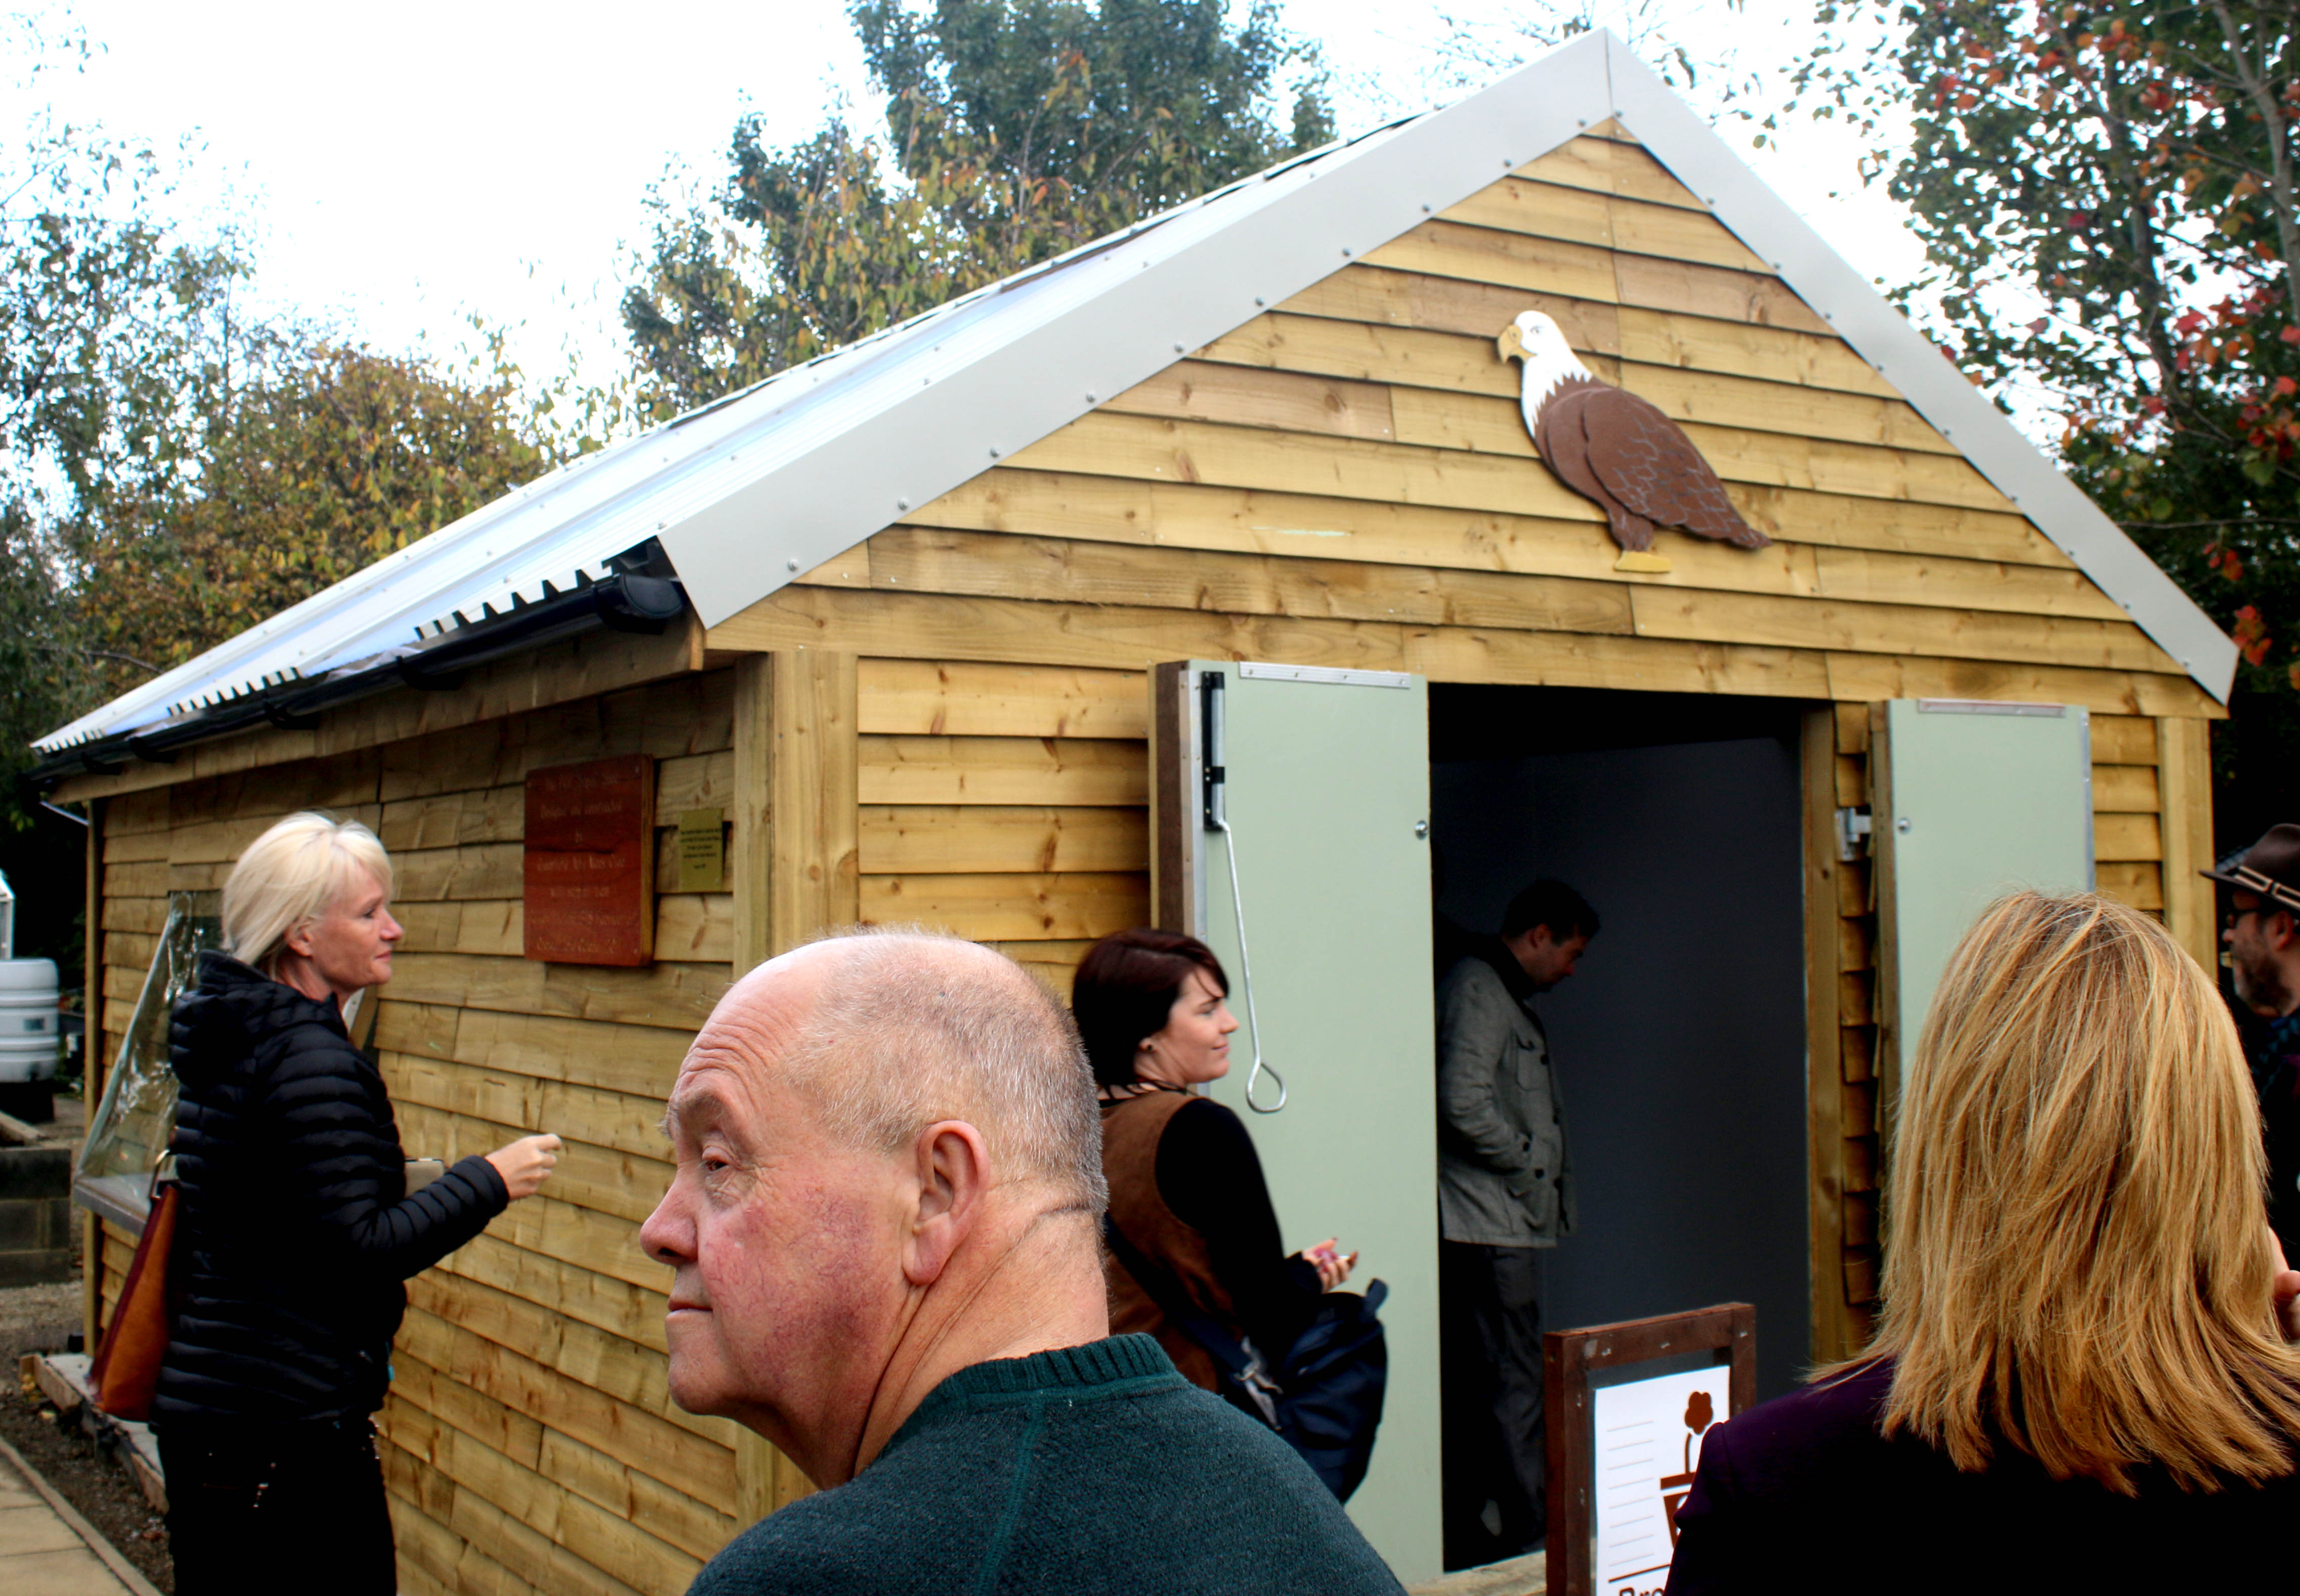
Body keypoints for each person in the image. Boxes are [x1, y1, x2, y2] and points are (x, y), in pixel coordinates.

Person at [642, 928, 1404, 1595]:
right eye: (1206, 1007)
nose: (659, 1229)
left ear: (938, 1194)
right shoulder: (1280, 1502)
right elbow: (1265, 1300)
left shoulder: (818, 1579)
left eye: (716, 1163)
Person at [1667, 892, 2300, 1594]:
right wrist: (2264, 1357)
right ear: (2216, 1145)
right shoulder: (2276, 1451)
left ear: (1950, 1135)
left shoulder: (1772, 1478)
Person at [156, 812, 562, 1596]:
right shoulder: (310, 1056)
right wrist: (488, 1179)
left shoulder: (235, 1039)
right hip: (286, 1424)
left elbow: (278, 1216)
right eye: (370, 912)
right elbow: (360, 1249)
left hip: (217, 1413)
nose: (394, 929)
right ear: (303, 935)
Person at [1072, 928, 1355, 1402]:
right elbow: (1270, 1310)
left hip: (1079, 1404)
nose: (1231, 1024)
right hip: (1184, 1409)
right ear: (1146, 1035)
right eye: (1207, 1010)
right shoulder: (1199, 1130)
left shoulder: (1059, 1128)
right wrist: (1309, 1276)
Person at [1434, 878, 1598, 1568]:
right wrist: (1529, 1161)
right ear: (1537, 935)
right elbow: (1461, 1101)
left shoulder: (1497, 991)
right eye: (1569, 953)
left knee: (1504, 1379)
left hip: (1503, 1225)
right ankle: (1532, 1542)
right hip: (1489, 1228)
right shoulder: (1480, 990)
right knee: (1514, 1383)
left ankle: (1501, 1528)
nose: (1569, 970)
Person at [2205, 822, 2300, 1258]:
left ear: (2280, 928)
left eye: (2235, 919)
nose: (2228, 936)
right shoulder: (2270, 1045)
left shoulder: (2290, 1063)